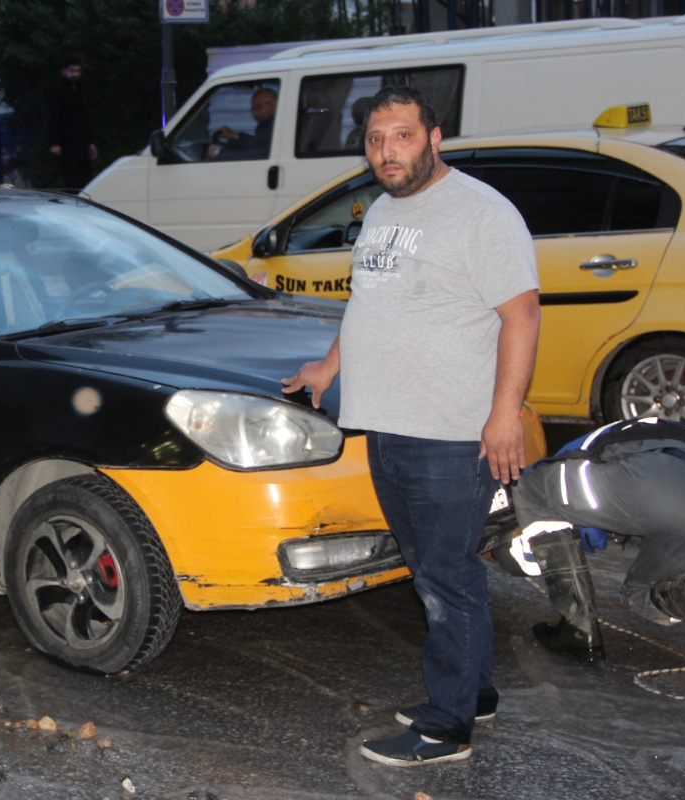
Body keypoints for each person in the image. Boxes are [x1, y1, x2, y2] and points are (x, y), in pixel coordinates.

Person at [281, 85, 540, 766]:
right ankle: (473, 690)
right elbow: (371, 302)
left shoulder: (481, 213)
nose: (385, 151)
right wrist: (328, 366)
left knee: (442, 579)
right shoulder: (385, 212)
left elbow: (522, 316)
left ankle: (445, 728)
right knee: (441, 568)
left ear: (434, 137)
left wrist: (504, 416)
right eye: (374, 139)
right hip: (389, 424)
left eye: (400, 135)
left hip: (449, 431)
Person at [501, 416, 685, 663]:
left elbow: (569, 523)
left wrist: (511, 553)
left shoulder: (572, 453)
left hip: (659, 481)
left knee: (533, 491)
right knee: (641, 594)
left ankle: (578, 630)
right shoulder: (667, 428)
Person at [48, 56, 98, 193]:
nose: (75, 74)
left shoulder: (80, 91)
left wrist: (90, 142)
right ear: (64, 72)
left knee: (85, 178)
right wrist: (55, 142)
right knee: (71, 179)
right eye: (72, 71)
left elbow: (85, 118)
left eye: (77, 71)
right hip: (66, 144)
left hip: (81, 143)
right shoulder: (58, 92)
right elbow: (53, 117)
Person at [210, 87, 276, 160]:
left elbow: (257, 153)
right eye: (253, 109)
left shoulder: (273, 125)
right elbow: (258, 142)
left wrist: (219, 153)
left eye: (259, 107)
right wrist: (235, 135)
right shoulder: (268, 124)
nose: (255, 113)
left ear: (273, 104)